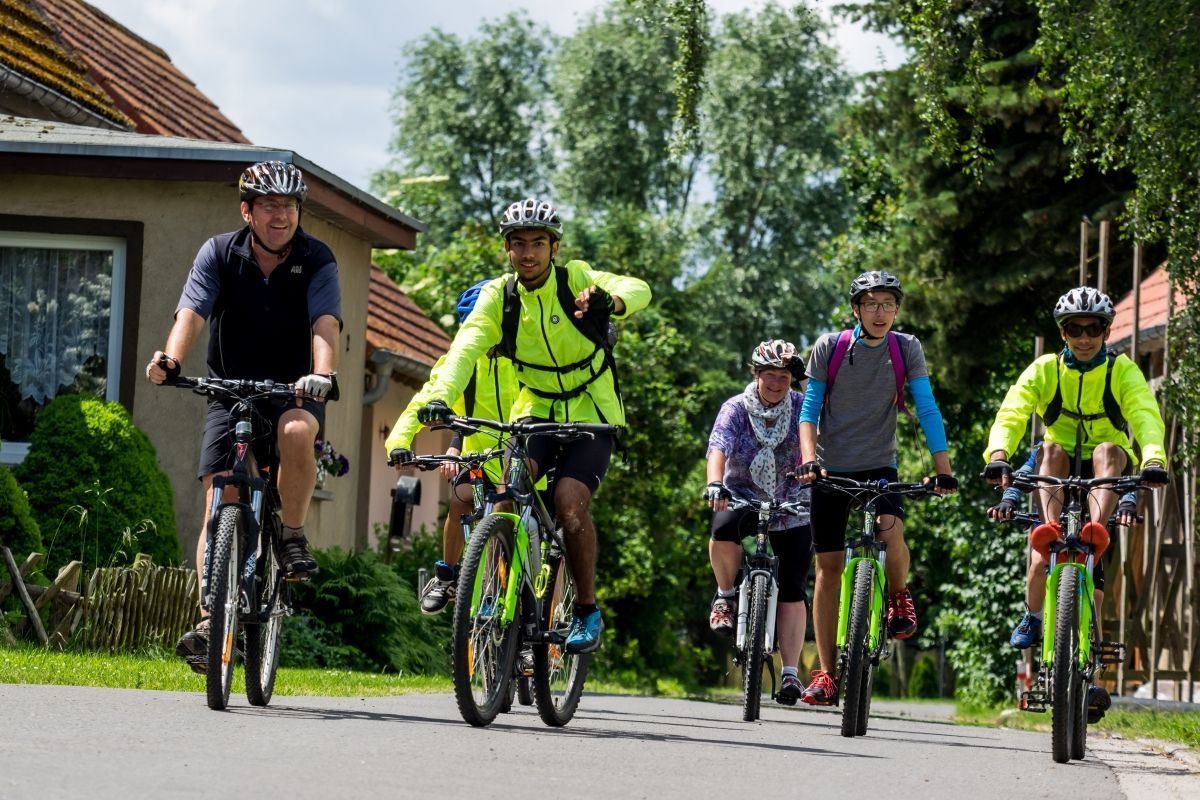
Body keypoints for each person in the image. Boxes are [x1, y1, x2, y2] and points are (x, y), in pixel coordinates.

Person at [385, 198, 651, 654]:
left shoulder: (577, 280)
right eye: (519, 244)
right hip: (538, 410)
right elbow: (464, 350)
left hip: (593, 412)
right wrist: (438, 400)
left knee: (569, 504)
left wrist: (616, 300)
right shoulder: (499, 297)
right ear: (506, 249)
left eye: (538, 244)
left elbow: (638, 287)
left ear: (554, 247)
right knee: (506, 487)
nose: (528, 253)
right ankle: (504, 588)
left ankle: (586, 610)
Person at [145, 160, 341, 673]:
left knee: (297, 431)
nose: (282, 216)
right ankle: (213, 619)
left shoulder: (316, 257)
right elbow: (192, 310)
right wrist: (171, 359)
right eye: (271, 206)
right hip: (228, 388)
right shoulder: (218, 253)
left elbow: (325, 321)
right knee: (219, 500)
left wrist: (322, 372)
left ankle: (292, 534)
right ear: (247, 211)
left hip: (295, 387)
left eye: (290, 206)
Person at [983, 286, 1169, 720]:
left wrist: (1154, 457)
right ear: (1062, 333)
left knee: (1108, 448)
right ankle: (1049, 545)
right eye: (1073, 329)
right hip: (1058, 471)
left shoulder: (1121, 371)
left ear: (1106, 331)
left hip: (1103, 474)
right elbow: (1013, 412)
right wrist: (997, 455)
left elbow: (1143, 413)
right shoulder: (1046, 369)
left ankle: (1093, 535)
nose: (1083, 337)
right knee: (1048, 452)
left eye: (1093, 329)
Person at [795, 270, 957, 705]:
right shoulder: (829, 347)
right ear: (856, 310)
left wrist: (944, 469)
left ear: (897, 309)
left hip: (879, 466)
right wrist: (808, 460)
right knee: (828, 570)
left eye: (888, 304)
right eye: (871, 304)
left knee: (890, 529)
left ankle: (899, 596)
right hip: (829, 471)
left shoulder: (907, 348)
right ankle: (827, 674)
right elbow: (808, 409)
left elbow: (926, 408)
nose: (880, 312)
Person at [385, 279, 518, 614]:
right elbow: (424, 400)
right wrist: (400, 441)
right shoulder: (458, 364)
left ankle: (530, 604)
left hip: (524, 453)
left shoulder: (524, 358)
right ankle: (447, 576)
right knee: (459, 499)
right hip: (481, 453)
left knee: (520, 514)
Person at [704, 339, 812, 705]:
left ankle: (791, 673)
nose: (777, 383)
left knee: (794, 585)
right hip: (741, 495)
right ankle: (725, 596)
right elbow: (718, 447)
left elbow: (819, 435)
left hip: (792, 500)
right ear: (757, 375)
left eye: (784, 376)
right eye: (770, 375)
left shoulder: (802, 407)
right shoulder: (735, 408)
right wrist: (715, 483)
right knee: (722, 526)